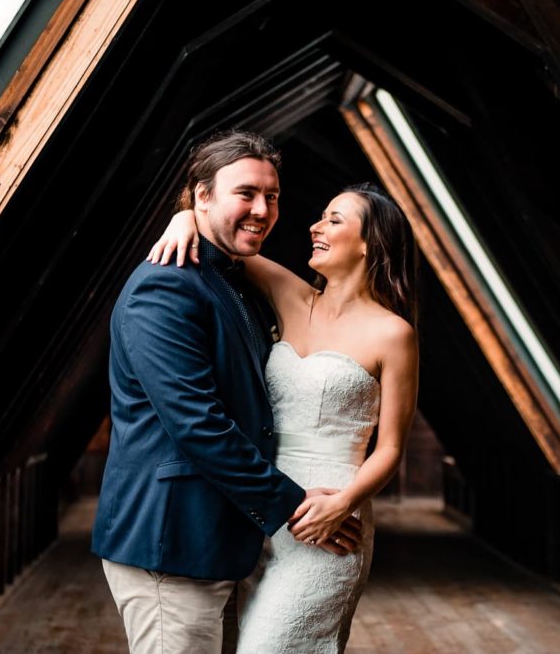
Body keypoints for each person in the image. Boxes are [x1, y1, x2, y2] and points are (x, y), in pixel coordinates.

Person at [92, 130, 361, 653]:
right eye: (246, 193)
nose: (262, 209)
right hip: (170, 543)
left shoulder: (230, 277)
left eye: (273, 196)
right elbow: (198, 424)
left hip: (216, 539)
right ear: (203, 195)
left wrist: (189, 216)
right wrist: (296, 506)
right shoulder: (164, 287)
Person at [148, 179, 420, 652]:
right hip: (262, 509)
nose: (315, 227)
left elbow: (392, 446)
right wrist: (183, 216)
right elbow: (222, 237)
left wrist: (342, 504)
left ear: (369, 244)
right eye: (321, 216)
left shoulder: (393, 335)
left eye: (335, 220)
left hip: (329, 522)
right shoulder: (290, 294)